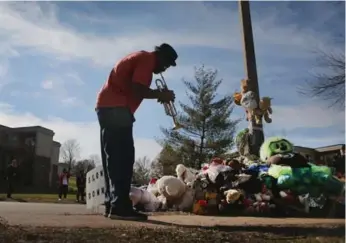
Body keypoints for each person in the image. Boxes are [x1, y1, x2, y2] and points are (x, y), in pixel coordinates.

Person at [96, 43, 178, 221]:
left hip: (109, 107)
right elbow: (137, 88)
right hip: (116, 109)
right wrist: (160, 95)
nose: (164, 69)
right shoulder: (147, 60)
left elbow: (136, 89)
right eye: (166, 64)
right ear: (160, 56)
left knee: (112, 159)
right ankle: (120, 207)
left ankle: (112, 204)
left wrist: (155, 94)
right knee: (123, 159)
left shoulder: (141, 58)